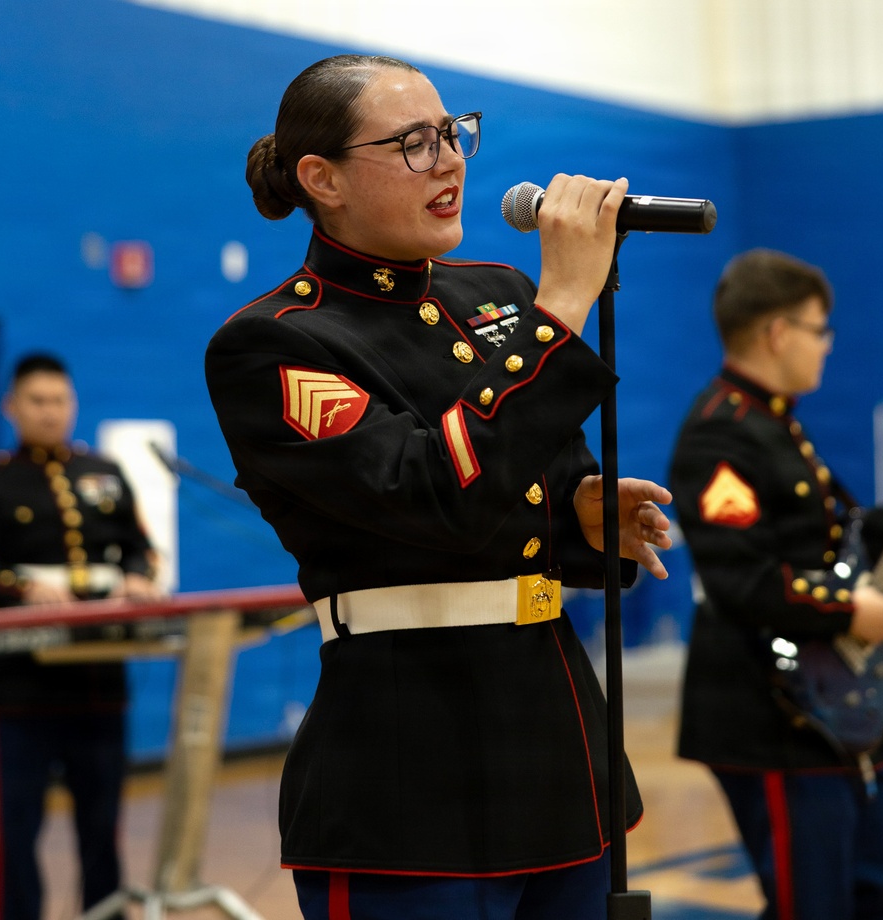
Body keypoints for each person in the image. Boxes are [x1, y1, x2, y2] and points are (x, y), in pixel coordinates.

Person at [204, 54, 673, 920]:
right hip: (408, 777)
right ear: (322, 179)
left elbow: (527, 485)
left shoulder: (498, 294)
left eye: (453, 133)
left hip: (561, 754)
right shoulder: (277, 342)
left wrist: (580, 515)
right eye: (413, 143)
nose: (450, 159)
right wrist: (562, 309)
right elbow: (430, 497)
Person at [668, 248, 883, 920]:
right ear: (777, 332)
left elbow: (848, 535)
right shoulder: (720, 434)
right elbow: (740, 580)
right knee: (811, 904)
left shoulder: (775, 422)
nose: (827, 345)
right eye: (821, 330)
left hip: (835, 705)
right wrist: (847, 611)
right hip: (773, 712)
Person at [0, 353, 161, 920]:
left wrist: (139, 575)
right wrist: (23, 591)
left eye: (60, 401)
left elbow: (141, 548)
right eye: (37, 401)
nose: (50, 412)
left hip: (99, 682)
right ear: (11, 407)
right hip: (21, 688)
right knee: (19, 829)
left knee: (102, 825)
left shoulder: (105, 473)